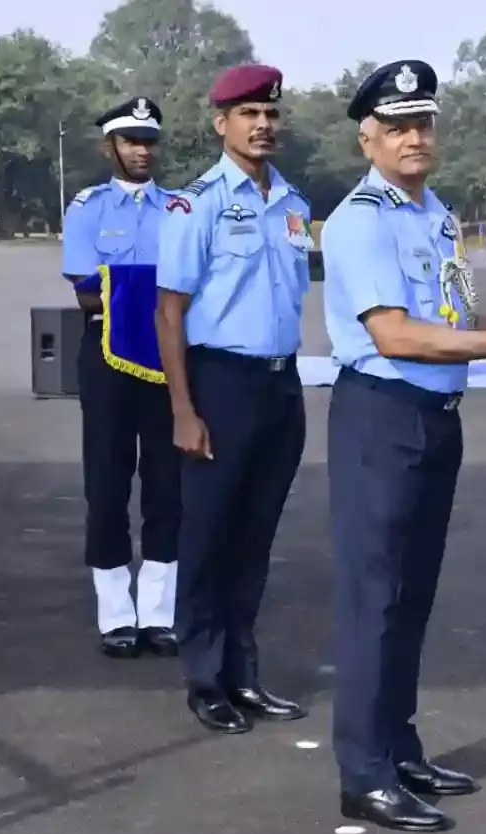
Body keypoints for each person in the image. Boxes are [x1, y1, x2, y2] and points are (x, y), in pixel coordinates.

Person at [321, 58, 486, 833]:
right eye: (397, 126)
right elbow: (395, 335)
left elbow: (452, 318)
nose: (414, 138)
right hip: (381, 415)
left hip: (435, 417)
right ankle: (364, 774)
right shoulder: (361, 220)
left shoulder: (434, 214)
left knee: (413, 595)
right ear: (368, 139)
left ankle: (399, 748)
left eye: (423, 124)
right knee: (375, 599)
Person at [154, 64, 312, 735]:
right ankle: (206, 678)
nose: (263, 125)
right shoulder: (198, 204)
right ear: (222, 123)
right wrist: (183, 410)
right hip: (220, 383)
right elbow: (169, 311)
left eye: (270, 114)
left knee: (254, 537)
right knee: (209, 534)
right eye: (249, 114)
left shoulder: (294, 202)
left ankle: (244, 675)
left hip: (280, 384)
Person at [60, 97, 180, 660]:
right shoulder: (87, 207)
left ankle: (158, 612)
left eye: (149, 141)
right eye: (131, 141)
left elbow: (189, 283)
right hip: (106, 354)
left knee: (167, 485)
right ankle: (115, 613)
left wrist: (125, 285)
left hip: (168, 355)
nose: (142, 151)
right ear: (109, 146)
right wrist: (155, 289)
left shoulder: (178, 209)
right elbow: (85, 290)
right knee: (107, 483)